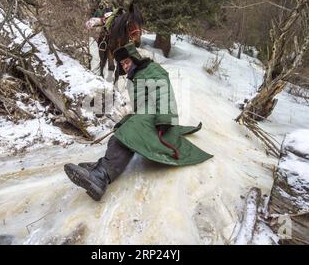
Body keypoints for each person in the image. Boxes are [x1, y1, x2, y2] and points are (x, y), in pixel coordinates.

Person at [64, 43, 213, 201]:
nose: (125, 66)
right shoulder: (133, 78)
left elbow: (163, 91)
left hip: (158, 114)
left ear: (135, 59)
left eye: (127, 62)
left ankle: (100, 177)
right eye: (122, 64)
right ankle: (103, 165)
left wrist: (164, 118)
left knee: (129, 133)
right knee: (121, 133)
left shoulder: (151, 69)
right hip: (146, 113)